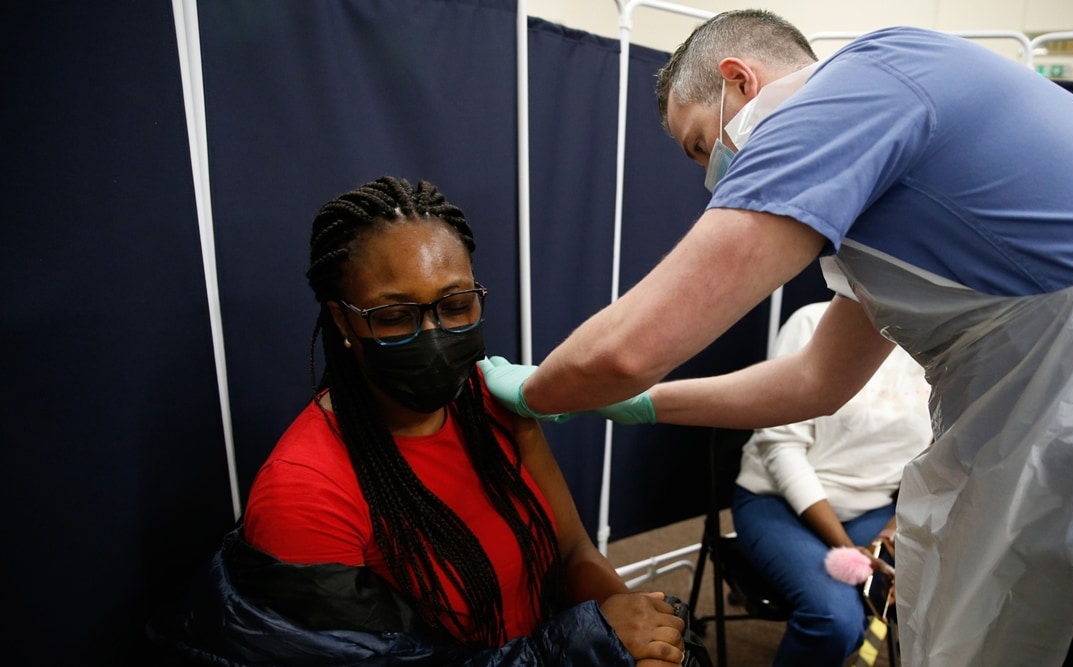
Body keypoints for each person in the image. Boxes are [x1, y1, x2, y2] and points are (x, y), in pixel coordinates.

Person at [477, 9, 1073, 666]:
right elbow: (818, 379)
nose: (709, 179)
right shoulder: (889, 189)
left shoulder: (847, 91)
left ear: (739, 80)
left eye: (702, 146)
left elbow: (624, 350)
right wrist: (641, 404)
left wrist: (538, 390)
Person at [147, 176, 686, 666]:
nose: (434, 334)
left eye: (456, 306)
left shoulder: (488, 400)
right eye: (395, 315)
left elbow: (572, 550)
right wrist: (581, 644)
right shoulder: (303, 492)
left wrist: (632, 629)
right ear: (342, 320)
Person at [732, 300, 931, 666]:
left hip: (877, 508)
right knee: (835, 621)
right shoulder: (810, 322)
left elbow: (936, 461)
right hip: (777, 501)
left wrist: (893, 533)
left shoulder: (936, 346)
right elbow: (781, 446)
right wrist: (845, 547)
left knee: (938, 602)